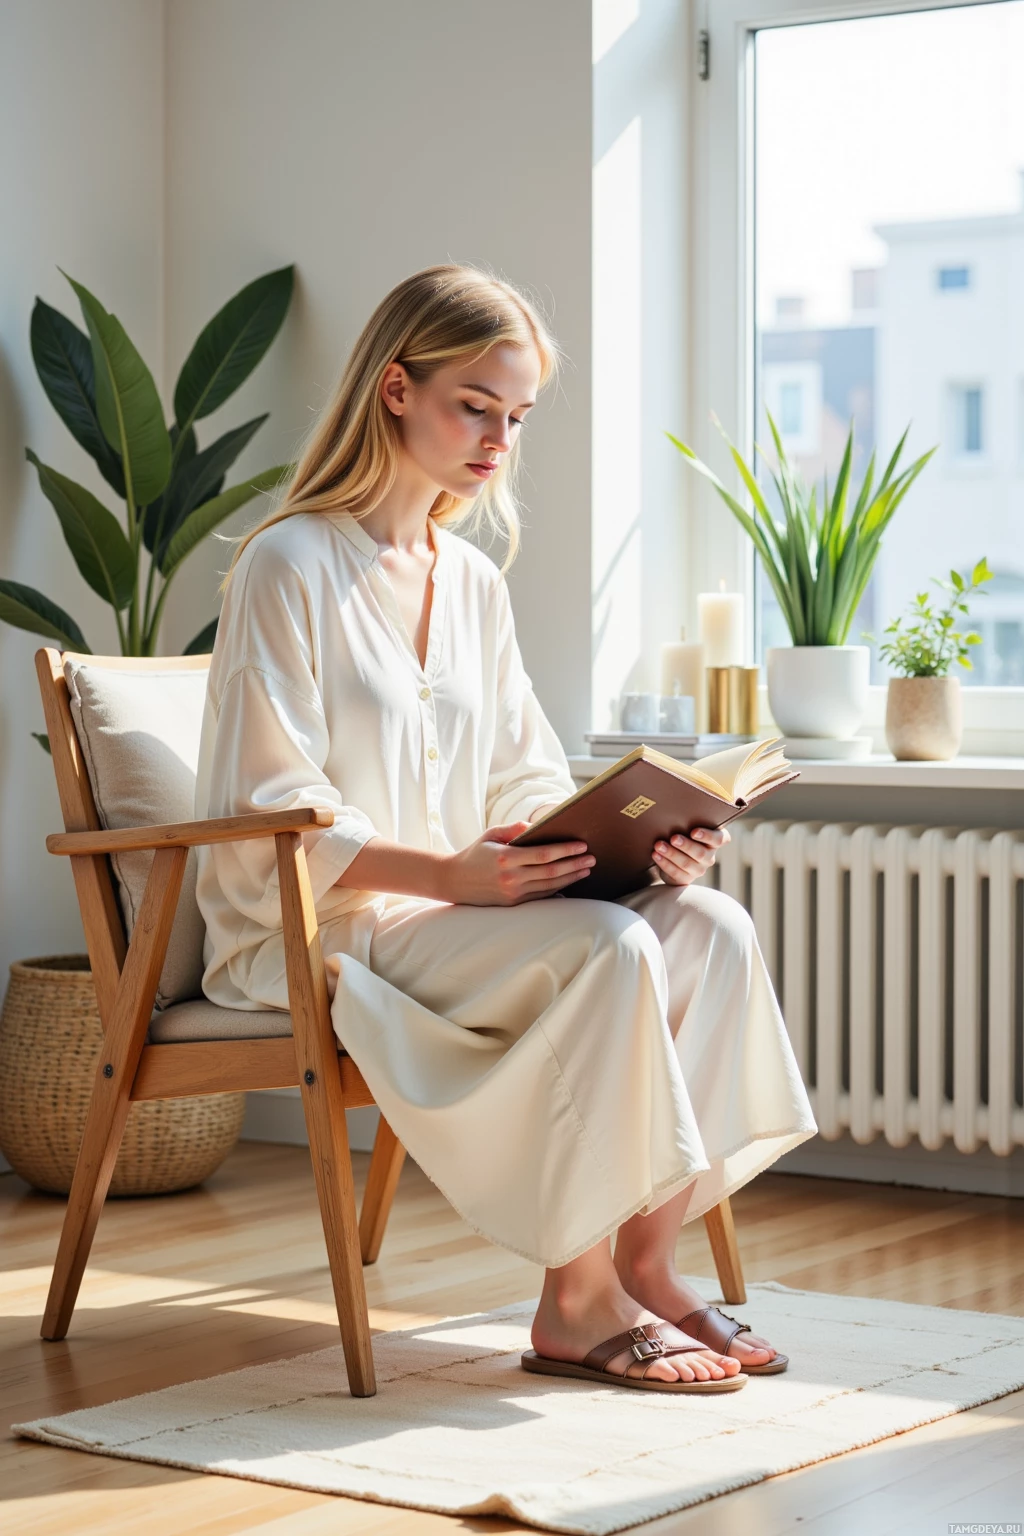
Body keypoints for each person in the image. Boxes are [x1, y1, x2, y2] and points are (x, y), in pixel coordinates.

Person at [195, 264, 817, 1394]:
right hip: (337, 929)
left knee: (706, 922)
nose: (498, 437)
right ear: (395, 387)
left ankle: (646, 1262)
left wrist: (627, 846)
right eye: (474, 404)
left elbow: (520, 781)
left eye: (516, 415)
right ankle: (575, 1305)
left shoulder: (473, 580)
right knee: (611, 947)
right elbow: (263, 813)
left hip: (467, 913)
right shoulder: (287, 565)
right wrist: (446, 872)